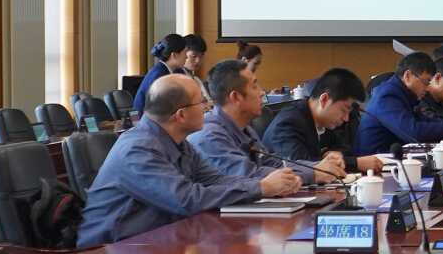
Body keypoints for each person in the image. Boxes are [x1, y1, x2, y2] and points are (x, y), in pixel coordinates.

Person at [76, 75, 301, 247]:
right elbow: (186, 199)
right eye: (201, 102)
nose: (208, 107)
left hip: (157, 240)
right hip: (115, 246)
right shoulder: (137, 150)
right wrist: (261, 188)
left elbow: (216, 180)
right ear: (181, 115)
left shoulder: (179, 142)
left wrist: (267, 186)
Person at [189, 60, 343, 184]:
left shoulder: (245, 129)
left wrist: (319, 166)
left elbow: (274, 163)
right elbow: (249, 175)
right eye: (254, 86)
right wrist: (313, 174)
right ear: (236, 97)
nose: (262, 92)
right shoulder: (209, 135)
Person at [356, 52, 443, 155]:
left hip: (394, 156)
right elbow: (412, 132)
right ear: (408, 76)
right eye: (426, 82)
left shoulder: (403, 94)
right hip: (375, 162)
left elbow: (422, 120)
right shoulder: (387, 96)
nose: (427, 88)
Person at [263, 68, 382, 175]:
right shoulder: (289, 123)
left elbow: (343, 148)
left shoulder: (323, 120)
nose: (346, 118)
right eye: (343, 110)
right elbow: (302, 166)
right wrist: (356, 163)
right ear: (324, 99)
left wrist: (334, 155)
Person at [133, 34, 187, 118]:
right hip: (147, 120)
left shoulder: (174, 71)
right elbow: (158, 108)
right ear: (174, 55)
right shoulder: (159, 74)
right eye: (184, 53)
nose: (186, 57)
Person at [182, 34, 211, 104]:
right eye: (194, 56)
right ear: (182, 53)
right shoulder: (177, 79)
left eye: (201, 56)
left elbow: (209, 102)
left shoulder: (197, 80)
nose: (198, 60)